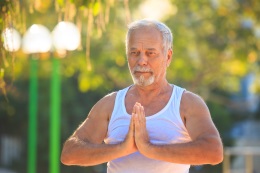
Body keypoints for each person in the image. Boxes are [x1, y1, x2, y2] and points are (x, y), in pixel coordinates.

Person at [60, 19, 223, 173]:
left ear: (167, 57)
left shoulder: (187, 103)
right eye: (134, 52)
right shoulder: (110, 104)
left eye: (150, 53)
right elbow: (70, 153)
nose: (141, 61)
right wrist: (122, 148)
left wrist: (149, 148)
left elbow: (213, 151)